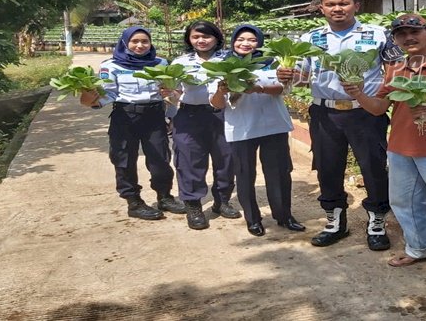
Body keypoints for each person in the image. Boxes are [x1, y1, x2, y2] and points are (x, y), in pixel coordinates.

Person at [342, 13, 426, 287]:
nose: (409, 38)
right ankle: (419, 248)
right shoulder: (395, 68)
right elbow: (379, 108)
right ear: (395, 39)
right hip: (401, 147)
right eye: (401, 34)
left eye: (415, 31)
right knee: (405, 202)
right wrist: (357, 93)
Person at [277, 0, 396, 251]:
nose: (337, 9)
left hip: (365, 112)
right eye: (331, 4)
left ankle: (377, 223)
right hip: (325, 112)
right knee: (328, 168)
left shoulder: (378, 35)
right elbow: (302, 78)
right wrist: (289, 76)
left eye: (343, 3)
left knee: (374, 168)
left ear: (356, 5)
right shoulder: (311, 38)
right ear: (322, 8)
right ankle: (334, 222)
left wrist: (384, 98)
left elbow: (394, 71)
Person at [79, 26, 185, 220]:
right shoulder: (111, 66)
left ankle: (165, 197)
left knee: (160, 159)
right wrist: (91, 99)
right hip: (125, 117)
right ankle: (133, 202)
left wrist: (171, 106)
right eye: (134, 41)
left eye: (145, 41)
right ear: (125, 43)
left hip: (154, 116)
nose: (140, 45)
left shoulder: (160, 63)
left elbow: (174, 92)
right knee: (124, 159)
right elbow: (108, 93)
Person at [209, 24, 305, 237]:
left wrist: (256, 88)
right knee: (244, 174)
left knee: (279, 174)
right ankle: (253, 219)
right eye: (240, 39)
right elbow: (217, 104)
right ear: (233, 41)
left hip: (274, 126)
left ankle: (284, 216)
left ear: (259, 42)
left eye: (252, 40)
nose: (245, 43)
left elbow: (282, 89)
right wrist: (221, 89)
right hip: (242, 129)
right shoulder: (222, 66)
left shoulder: (272, 64)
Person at [167, 21, 241, 231]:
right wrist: (169, 94)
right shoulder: (180, 62)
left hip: (223, 114)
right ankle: (193, 205)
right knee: (189, 160)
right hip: (190, 115)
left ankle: (222, 201)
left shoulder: (230, 59)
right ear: (189, 39)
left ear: (217, 38)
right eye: (195, 37)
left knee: (226, 159)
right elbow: (176, 95)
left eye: (206, 36)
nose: (201, 40)